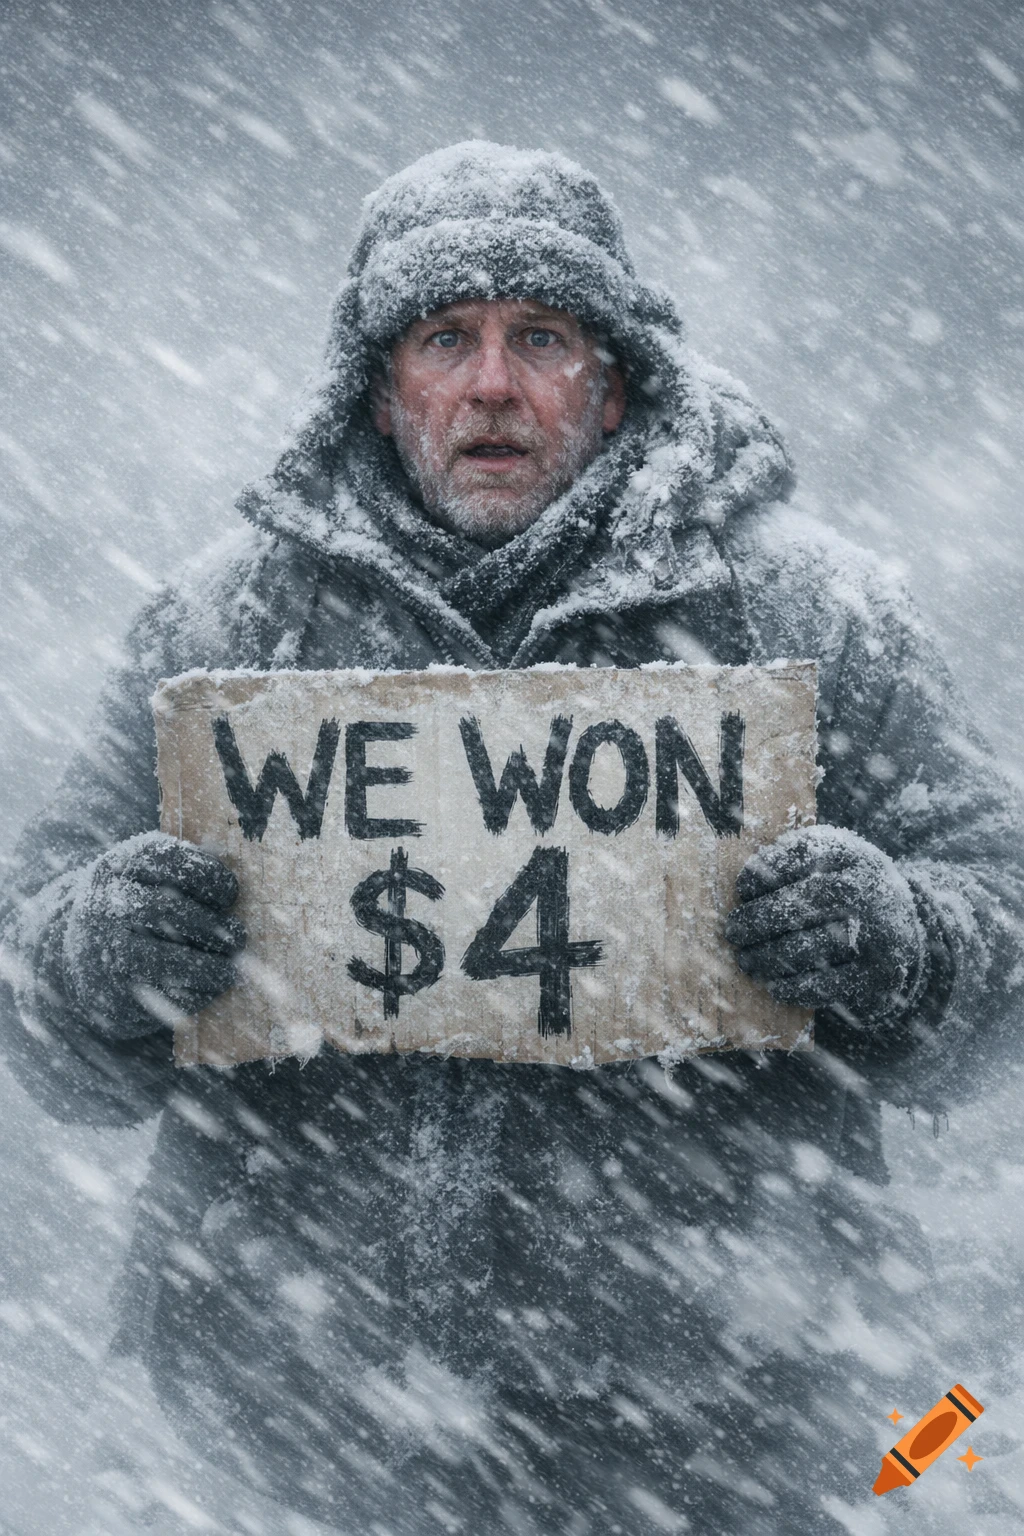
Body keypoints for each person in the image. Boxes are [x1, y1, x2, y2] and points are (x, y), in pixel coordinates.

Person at [1, 142, 1021, 1534]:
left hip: (723, 1424)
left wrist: (906, 939)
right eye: (445, 339)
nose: (493, 384)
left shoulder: (809, 618)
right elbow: (33, 980)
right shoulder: (219, 634)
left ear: (614, 377)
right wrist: (95, 952)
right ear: (376, 384)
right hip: (285, 1424)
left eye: (539, 337)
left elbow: (1003, 915)